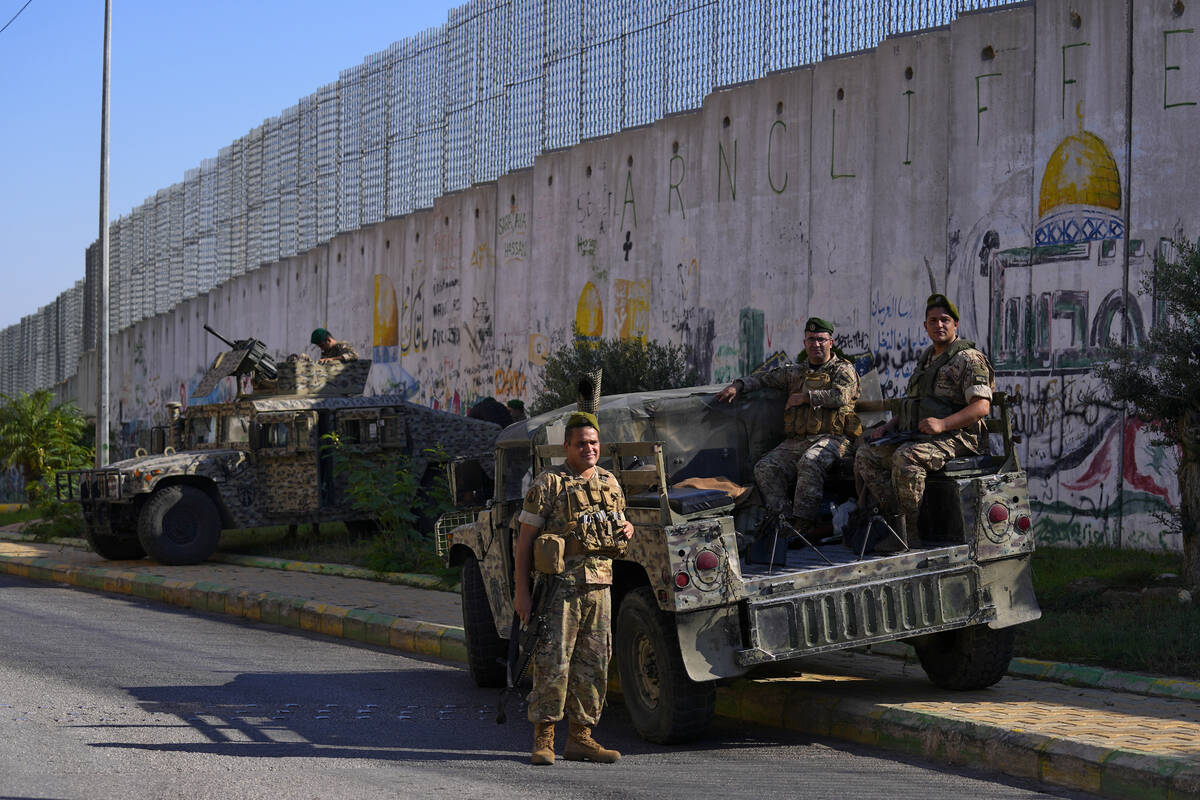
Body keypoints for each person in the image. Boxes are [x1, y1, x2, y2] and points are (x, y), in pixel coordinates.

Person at [513, 411, 633, 766]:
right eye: (581, 443)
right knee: (553, 663)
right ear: (566, 446)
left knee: (594, 664)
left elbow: (618, 525)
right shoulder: (548, 484)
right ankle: (544, 739)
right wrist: (521, 591)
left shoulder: (611, 482)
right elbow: (524, 543)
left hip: (600, 587)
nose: (588, 449)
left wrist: (629, 529)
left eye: (593, 443)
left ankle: (581, 738)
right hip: (558, 590)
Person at [854, 294, 995, 552]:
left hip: (960, 438)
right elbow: (916, 405)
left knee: (905, 457)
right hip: (924, 436)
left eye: (945, 320)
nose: (939, 325)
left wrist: (943, 424)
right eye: (933, 321)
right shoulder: (927, 360)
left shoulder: (969, 359)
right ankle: (896, 520)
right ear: (925, 326)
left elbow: (981, 407)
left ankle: (909, 536)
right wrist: (888, 427)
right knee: (866, 454)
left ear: (955, 325)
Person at [715, 317, 861, 539]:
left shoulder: (843, 369)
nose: (816, 344)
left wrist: (805, 397)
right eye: (811, 339)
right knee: (765, 467)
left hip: (835, 439)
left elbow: (841, 396)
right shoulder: (796, 372)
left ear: (831, 342)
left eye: (821, 339)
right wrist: (739, 385)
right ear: (805, 343)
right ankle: (783, 520)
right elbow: (765, 378)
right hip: (799, 440)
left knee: (810, 461)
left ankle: (803, 524)